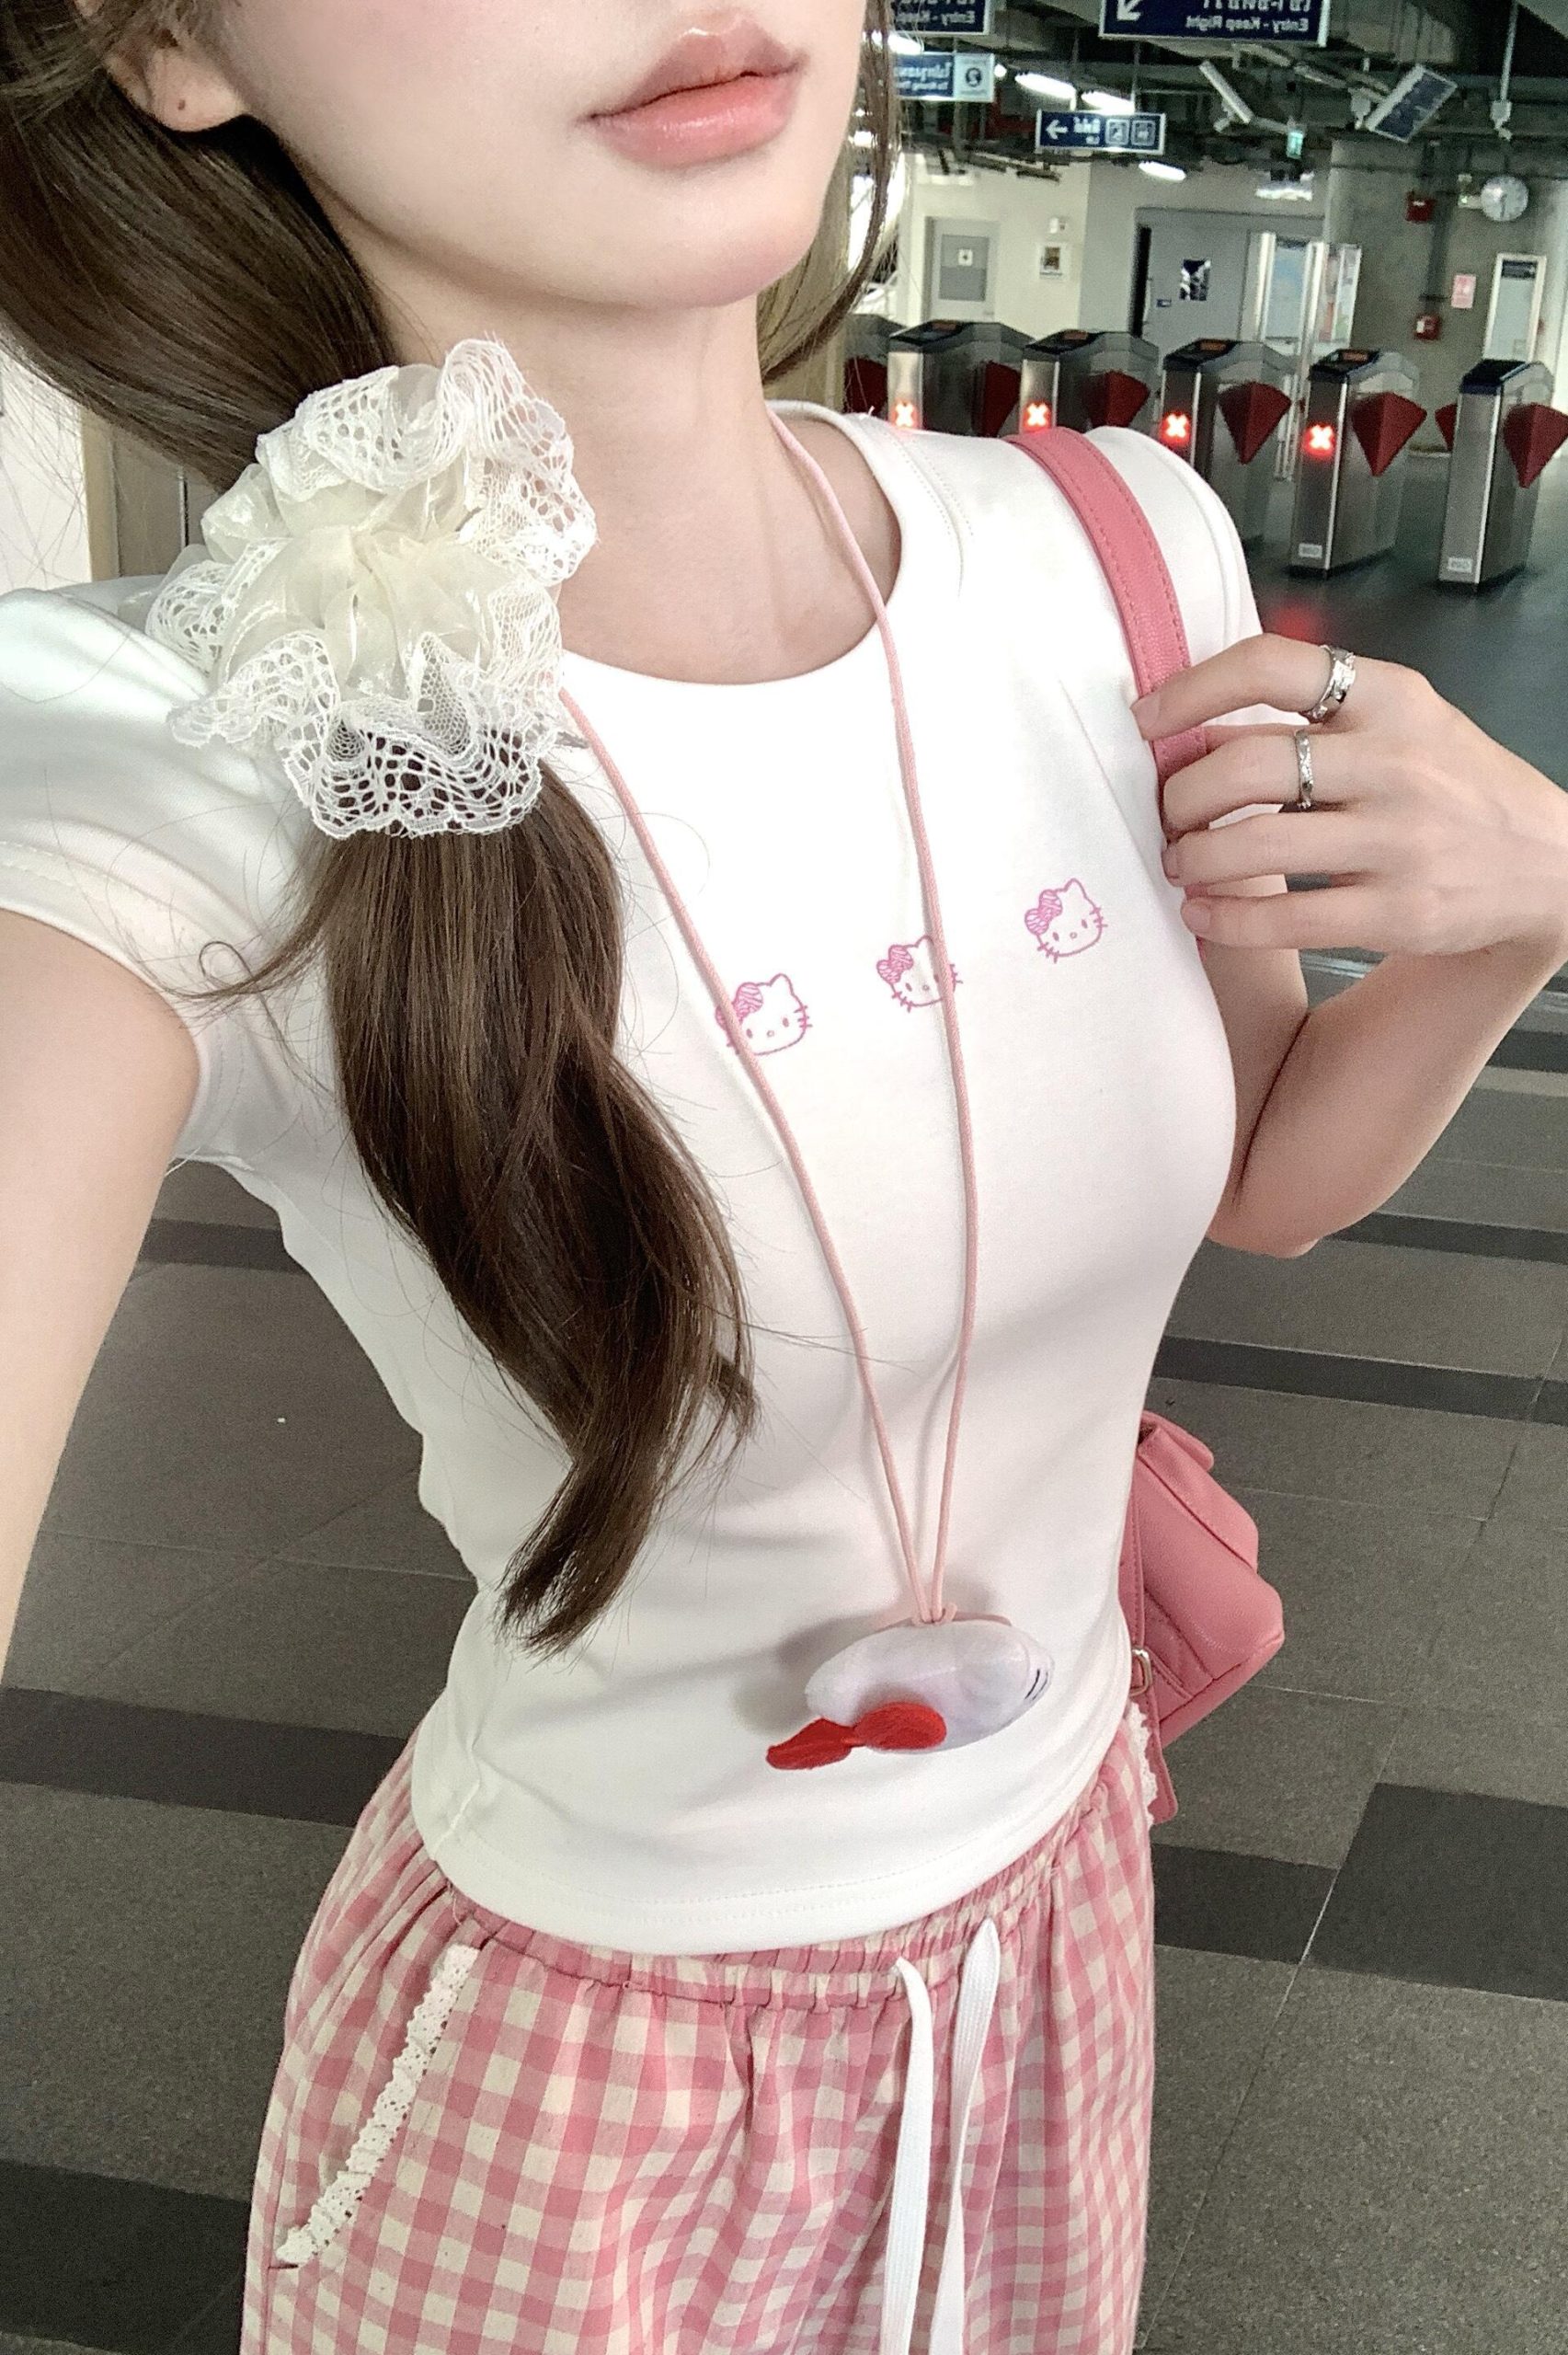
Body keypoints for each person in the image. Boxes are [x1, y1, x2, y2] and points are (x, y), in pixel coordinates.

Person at [3, 5, 1567, 2351]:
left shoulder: (1113, 545)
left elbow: (1258, 1166)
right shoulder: (160, 739)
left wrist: (1516, 917)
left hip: (1057, 1919)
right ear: (168, 45)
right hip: (589, 2063)